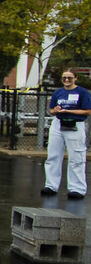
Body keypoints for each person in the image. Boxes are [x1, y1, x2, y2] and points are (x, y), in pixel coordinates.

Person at [41, 69, 90, 199]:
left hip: (75, 124)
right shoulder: (58, 92)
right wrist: (56, 110)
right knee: (53, 155)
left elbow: (87, 111)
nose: (67, 80)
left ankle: (77, 188)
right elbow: (51, 110)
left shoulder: (82, 93)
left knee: (76, 157)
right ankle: (51, 185)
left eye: (69, 78)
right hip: (58, 123)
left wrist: (70, 111)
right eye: (64, 78)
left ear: (76, 78)